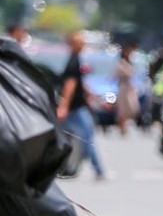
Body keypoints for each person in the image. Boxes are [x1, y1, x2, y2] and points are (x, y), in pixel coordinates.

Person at [57, 29, 106, 180]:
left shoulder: (76, 59)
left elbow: (80, 84)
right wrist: (63, 106)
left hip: (77, 107)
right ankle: (98, 170)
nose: (83, 44)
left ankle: (64, 167)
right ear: (72, 44)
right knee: (86, 138)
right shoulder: (73, 60)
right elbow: (70, 85)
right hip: (75, 109)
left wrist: (96, 99)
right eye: (80, 42)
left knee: (64, 138)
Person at [112, 49, 140, 132]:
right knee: (123, 109)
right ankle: (122, 127)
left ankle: (123, 125)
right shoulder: (120, 63)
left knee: (132, 108)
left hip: (129, 88)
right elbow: (117, 75)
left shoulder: (129, 63)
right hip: (123, 88)